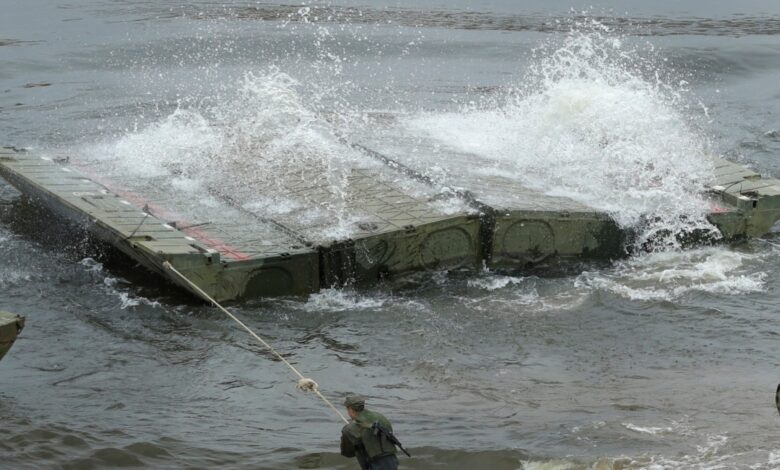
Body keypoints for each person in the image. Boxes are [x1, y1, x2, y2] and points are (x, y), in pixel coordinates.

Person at [340, 395, 399, 470]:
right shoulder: (380, 417)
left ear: (351, 410)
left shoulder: (349, 429)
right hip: (392, 461)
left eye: (347, 410)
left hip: (376, 465)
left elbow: (348, 453)